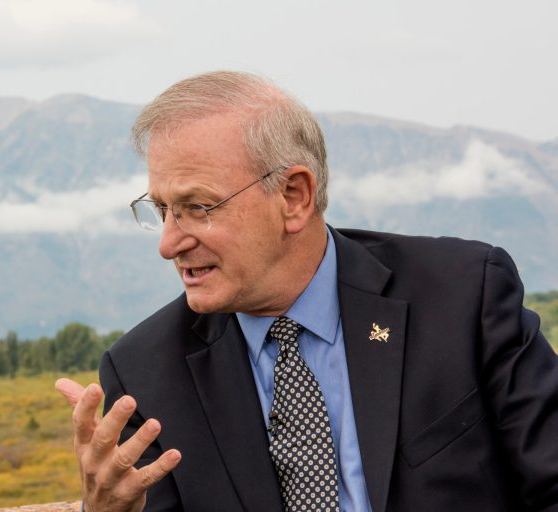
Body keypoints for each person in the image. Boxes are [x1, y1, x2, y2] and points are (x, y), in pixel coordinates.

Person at [55, 71, 558, 512]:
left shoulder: (463, 294)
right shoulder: (144, 373)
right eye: (162, 210)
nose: (169, 244)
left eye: (198, 207)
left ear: (294, 197)